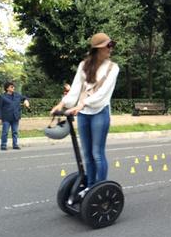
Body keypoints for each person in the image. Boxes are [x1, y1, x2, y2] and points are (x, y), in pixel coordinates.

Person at [50, 32, 119, 195]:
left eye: (111, 45)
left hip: (100, 112)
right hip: (83, 114)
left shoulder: (113, 68)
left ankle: (100, 190)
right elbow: (75, 89)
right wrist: (62, 103)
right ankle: (90, 186)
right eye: (108, 45)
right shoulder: (84, 66)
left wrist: (82, 105)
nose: (111, 48)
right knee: (86, 154)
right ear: (97, 49)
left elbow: (103, 94)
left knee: (97, 153)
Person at [0, 81, 30, 150]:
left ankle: (15, 145)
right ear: (7, 88)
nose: (13, 88)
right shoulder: (2, 97)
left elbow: (25, 98)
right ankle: (3, 145)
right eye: (11, 87)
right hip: (6, 117)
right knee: (5, 132)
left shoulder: (17, 95)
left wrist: (26, 101)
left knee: (15, 132)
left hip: (15, 117)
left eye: (13, 86)